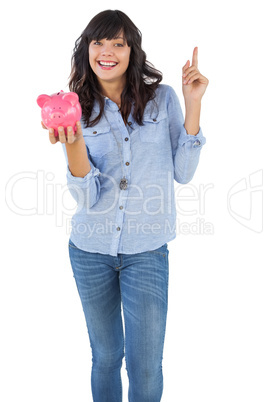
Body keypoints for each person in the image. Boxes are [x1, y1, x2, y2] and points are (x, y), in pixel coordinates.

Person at [42, 9, 208, 402]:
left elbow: (183, 172)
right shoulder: (73, 109)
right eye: (99, 42)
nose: (108, 51)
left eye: (119, 43)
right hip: (90, 251)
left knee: (146, 364)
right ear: (87, 50)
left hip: (147, 251)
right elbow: (86, 196)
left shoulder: (163, 99)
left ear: (132, 50)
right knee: (105, 356)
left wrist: (193, 103)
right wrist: (73, 143)